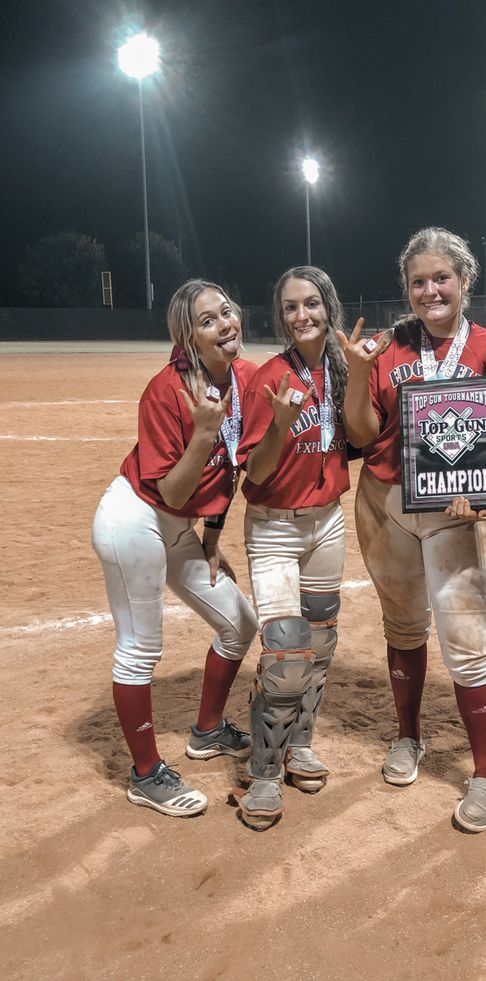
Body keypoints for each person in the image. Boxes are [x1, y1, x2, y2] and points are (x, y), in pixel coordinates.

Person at [338, 227, 486, 834]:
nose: (430, 290)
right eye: (418, 281)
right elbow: (362, 436)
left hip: (455, 514)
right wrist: (359, 375)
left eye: (441, 278)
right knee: (403, 623)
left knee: (468, 642)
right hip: (385, 499)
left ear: (465, 281)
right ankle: (409, 736)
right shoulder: (388, 346)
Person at [92, 279, 259, 817]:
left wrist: (211, 539)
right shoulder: (167, 391)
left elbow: (229, 473)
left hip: (182, 528)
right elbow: (173, 489)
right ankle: (145, 775)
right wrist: (204, 435)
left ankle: (207, 731)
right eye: (206, 321)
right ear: (188, 339)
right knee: (140, 647)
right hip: (134, 519)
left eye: (226, 312)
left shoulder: (243, 378)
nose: (224, 325)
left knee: (239, 624)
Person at [235, 266, 352, 830]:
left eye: (311, 304)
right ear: (280, 316)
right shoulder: (270, 377)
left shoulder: (341, 369)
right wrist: (280, 425)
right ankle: (262, 773)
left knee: (321, 642)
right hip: (274, 528)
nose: (302, 315)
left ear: (328, 305)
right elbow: (253, 474)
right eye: (289, 307)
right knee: (284, 654)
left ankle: (299, 743)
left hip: (327, 521)